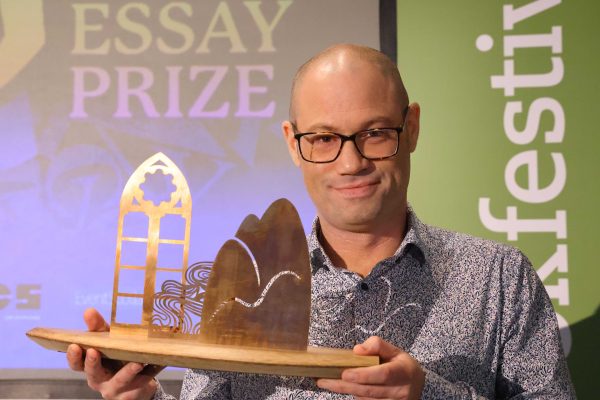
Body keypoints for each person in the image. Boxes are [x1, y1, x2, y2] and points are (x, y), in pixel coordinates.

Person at [66, 44, 575, 399]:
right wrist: (138, 395)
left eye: (374, 133)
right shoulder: (240, 282)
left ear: (411, 127)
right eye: (324, 138)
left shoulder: (499, 277)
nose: (350, 163)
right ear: (293, 142)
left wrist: (429, 395)